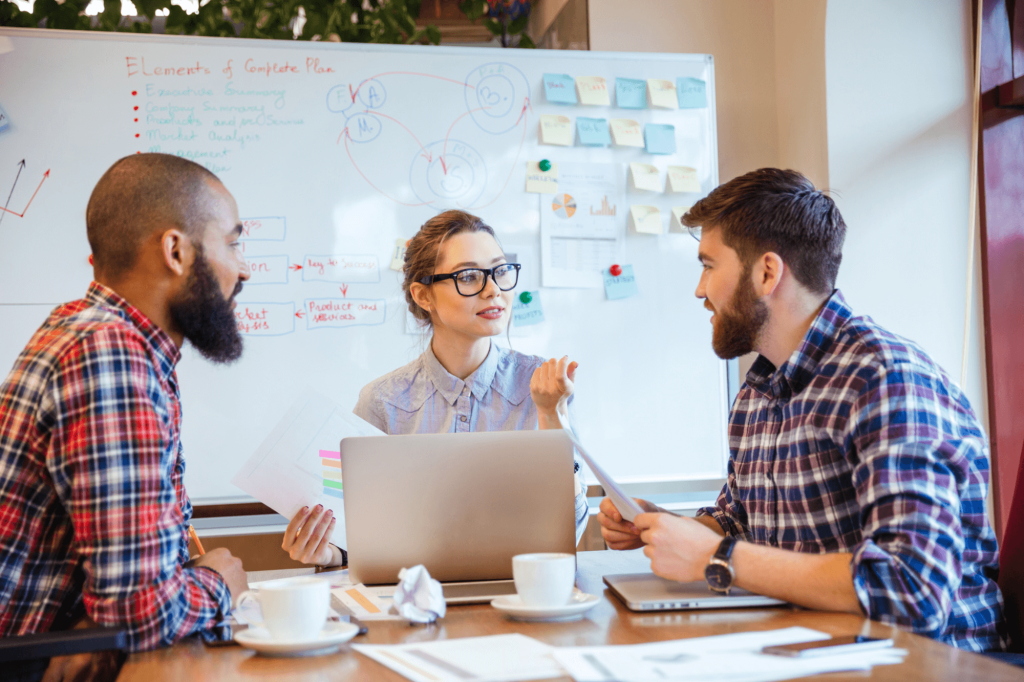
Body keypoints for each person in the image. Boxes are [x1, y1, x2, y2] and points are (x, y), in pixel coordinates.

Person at [597, 168, 1004, 652]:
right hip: (808, 648)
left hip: (922, 664)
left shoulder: (885, 379)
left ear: (767, 272)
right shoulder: (760, 391)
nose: (699, 290)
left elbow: (911, 591)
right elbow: (742, 523)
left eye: (708, 265)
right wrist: (664, 526)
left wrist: (718, 557)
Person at [0, 153, 251, 679]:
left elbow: (127, 601)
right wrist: (219, 582)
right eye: (232, 243)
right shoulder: (109, 354)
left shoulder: (92, 331)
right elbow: (141, 612)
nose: (243, 267)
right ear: (176, 251)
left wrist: (96, 625)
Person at [282, 210, 587, 567]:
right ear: (423, 296)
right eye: (469, 276)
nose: (494, 290)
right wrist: (331, 553)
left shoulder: (543, 385)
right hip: (411, 601)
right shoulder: (383, 402)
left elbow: (571, 528)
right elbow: (362, 535)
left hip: (523, 593)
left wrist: (552, 414)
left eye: (501, 271)